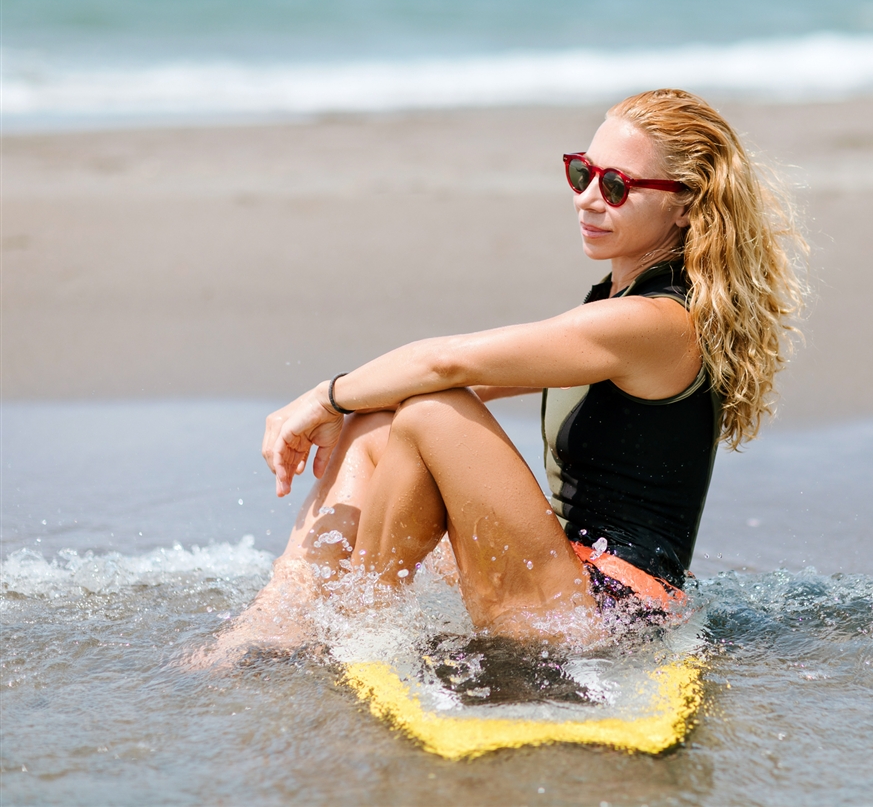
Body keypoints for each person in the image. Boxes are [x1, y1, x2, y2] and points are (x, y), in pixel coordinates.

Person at [211, 89, 805, 658]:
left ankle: (357, 632)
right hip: (567, 577)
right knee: (378, 421)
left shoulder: (654, 323)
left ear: (685, 203)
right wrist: (354, 409)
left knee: (429, 413)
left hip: (612, 616)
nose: (588, 198)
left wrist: (324, 398)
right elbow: (427, 379)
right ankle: (286, 610)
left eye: (618, 185)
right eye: (582, 173)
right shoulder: (613, 307)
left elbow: (447, 363)